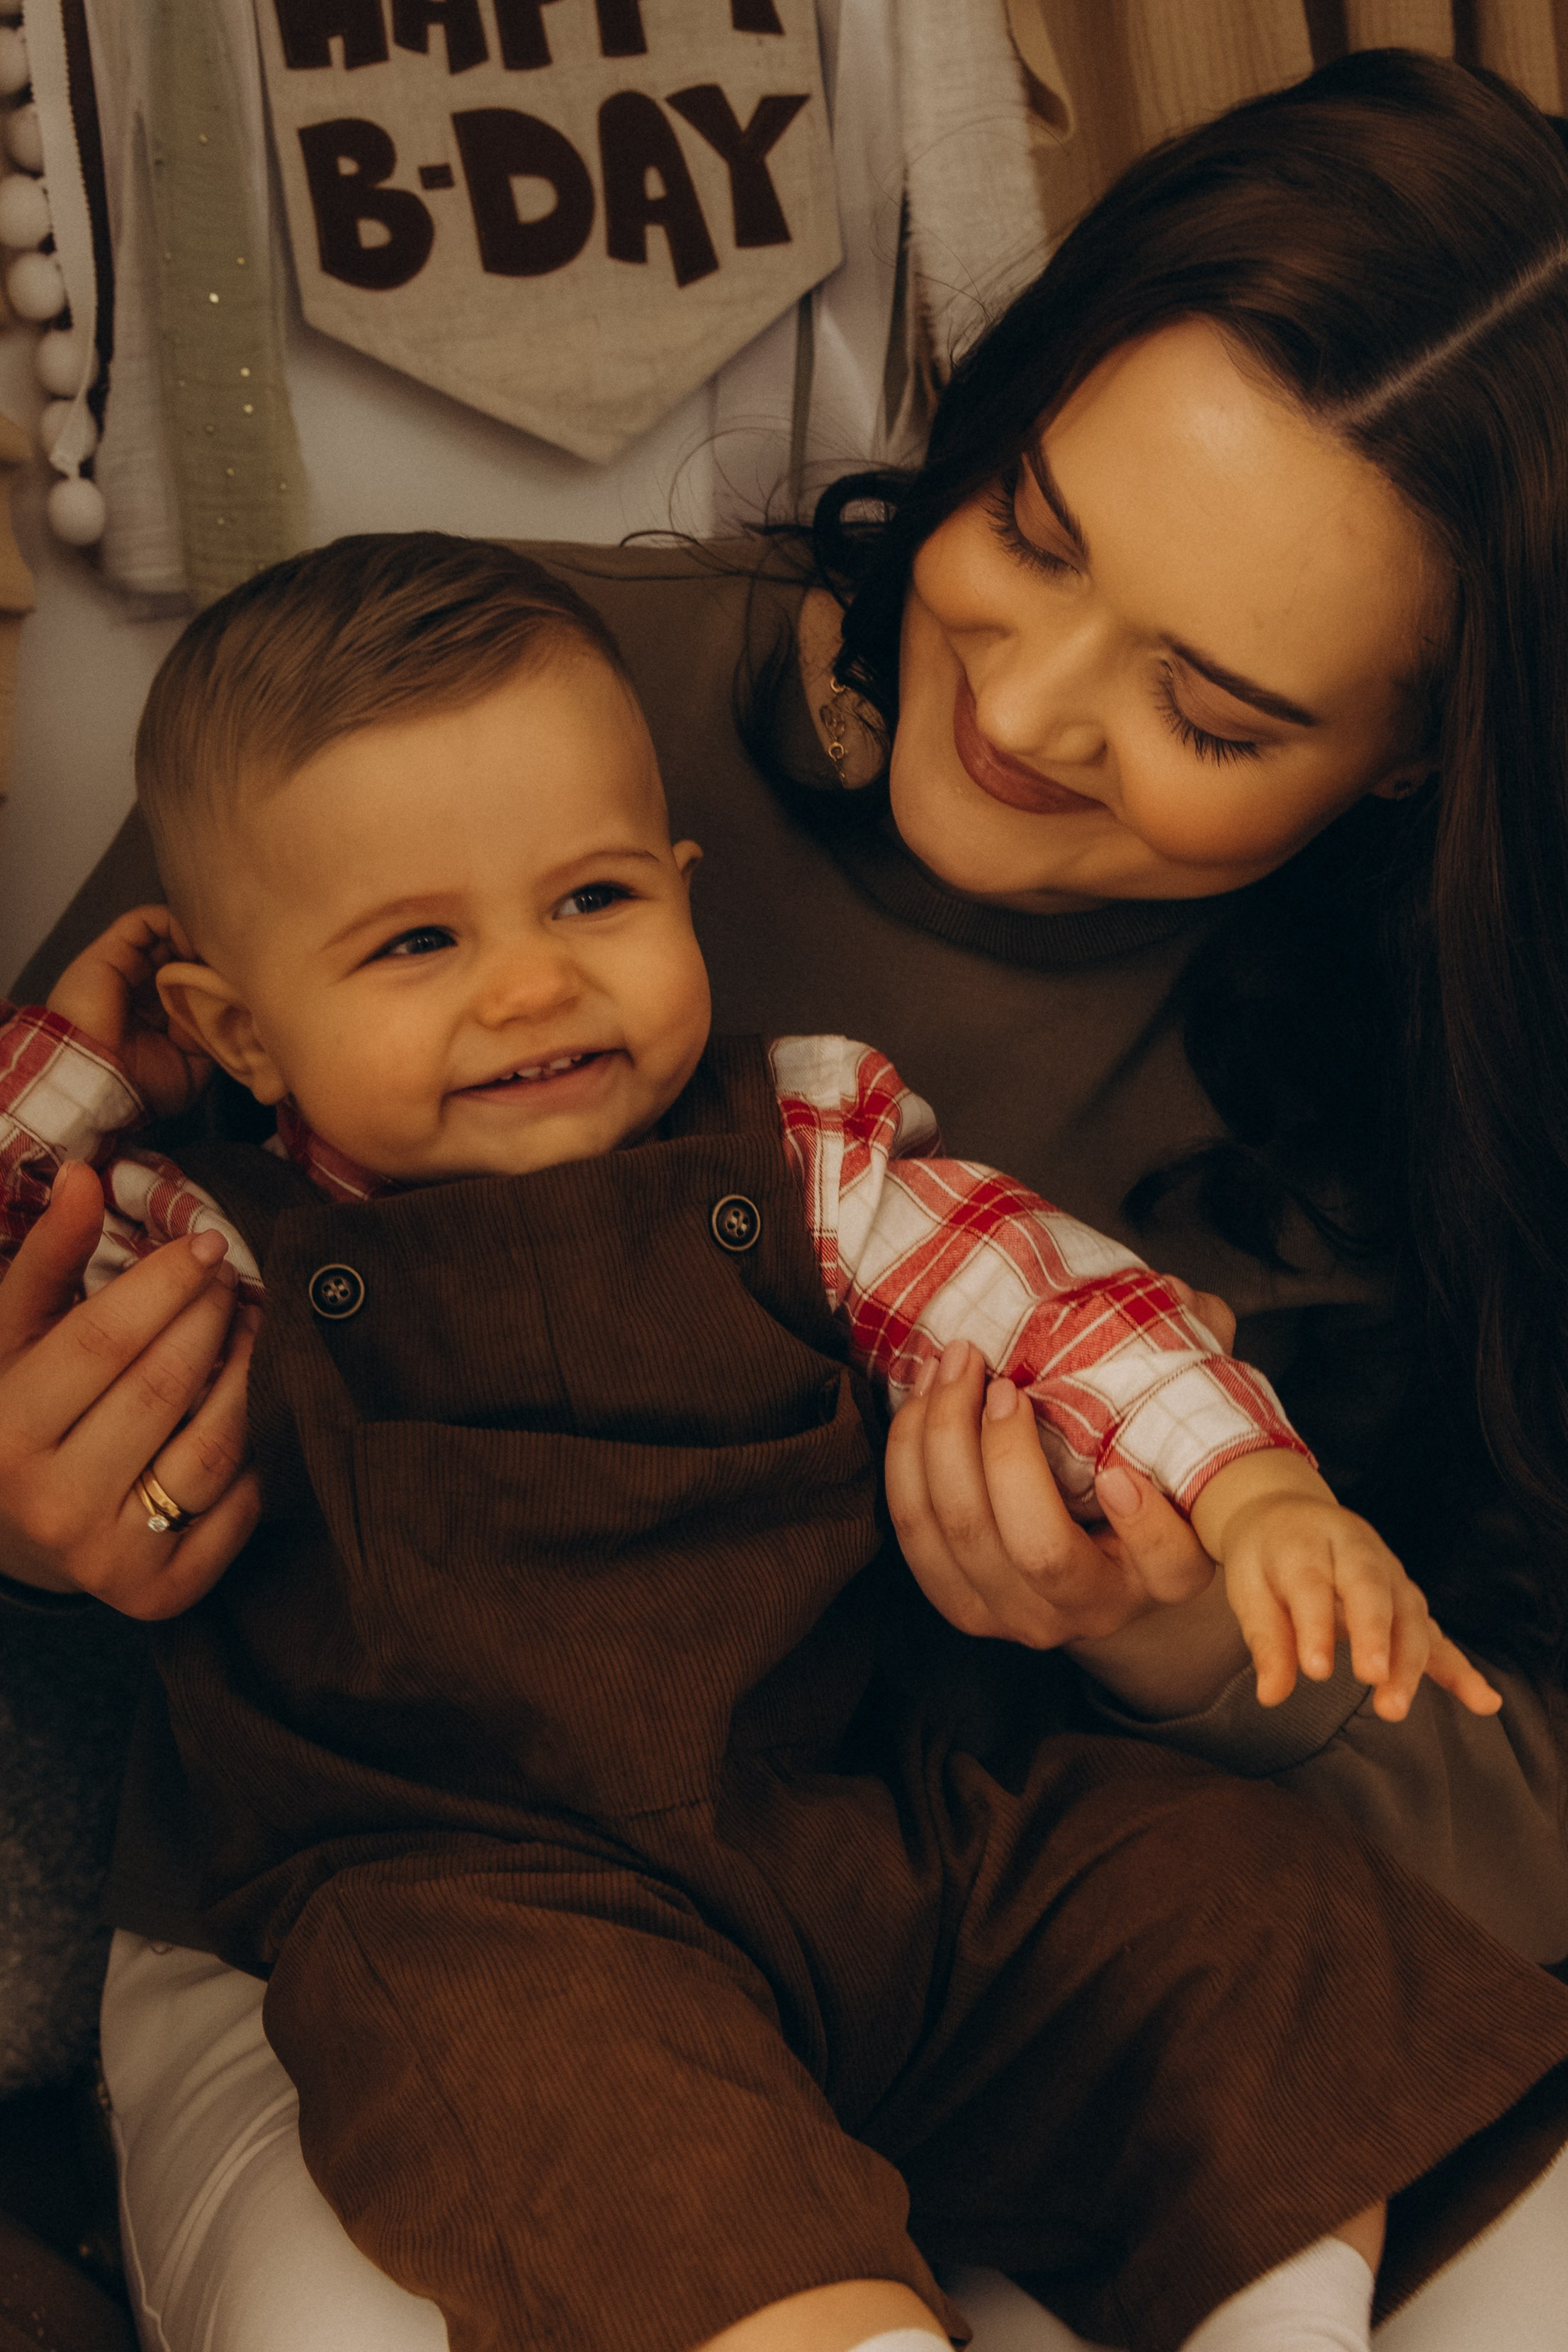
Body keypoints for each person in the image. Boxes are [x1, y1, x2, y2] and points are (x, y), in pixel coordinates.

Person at [5, 42, 1568, 2352]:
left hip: (991, 1928)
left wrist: (1178, 1645)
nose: (1024, 706)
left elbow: (1513, 1822)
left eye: (1214, 713)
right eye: (1034, 532)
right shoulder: (412, 716)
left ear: (1426, 753)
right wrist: (34, 1511)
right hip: (409, 1937)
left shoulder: (1437, 1084)